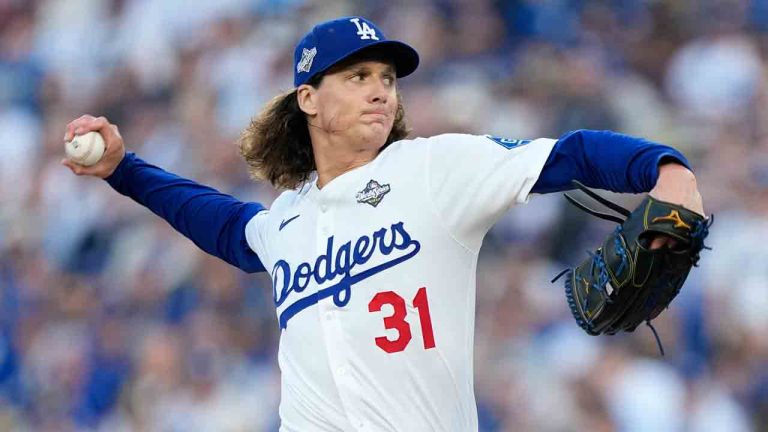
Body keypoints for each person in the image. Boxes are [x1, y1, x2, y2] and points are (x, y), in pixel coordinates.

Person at [62, 16, 704, 432]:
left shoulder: (434, 169)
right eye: (358, 76)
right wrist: (125, 168)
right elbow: (227, 228)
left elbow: (574, 152)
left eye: (387, 78)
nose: (380, 90)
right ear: (308, 99)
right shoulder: (288, 222)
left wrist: (667, 167)